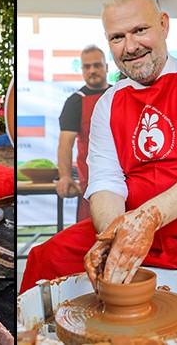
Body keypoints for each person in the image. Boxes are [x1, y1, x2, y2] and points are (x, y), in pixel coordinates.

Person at [20, 0, 177, 344]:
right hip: (128, 228)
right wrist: (112, 235)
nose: (130, 46)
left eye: (139, 30)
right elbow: (105, 183)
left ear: (164, 25)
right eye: (117, 37)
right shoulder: (108, 103)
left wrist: (147, 220)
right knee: (46, 260)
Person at [56, 45, 112, 221]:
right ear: (82, 70)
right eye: (87, 67)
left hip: (125, 179)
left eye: (97, 65)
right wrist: (64, 176)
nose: (92, 70)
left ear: (106, 67)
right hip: (91, 183)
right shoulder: (75, 102)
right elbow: (65, 143)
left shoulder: (120, 94)